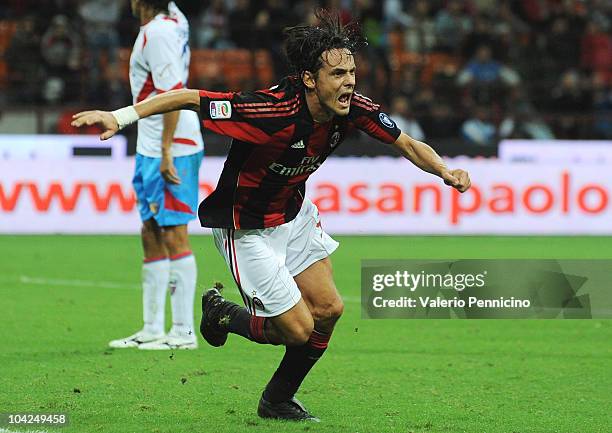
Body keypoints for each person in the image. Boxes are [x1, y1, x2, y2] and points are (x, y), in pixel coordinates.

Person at [72, 10, 470, 420]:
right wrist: (120, 117)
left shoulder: (351, 109)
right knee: (296, 331)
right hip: (246, 227)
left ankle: (277, 399)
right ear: (311, 79)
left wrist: (444, 170)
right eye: (338, 74)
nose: (349, 81)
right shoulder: (270, 110)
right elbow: (189, 97)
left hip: (294, 215)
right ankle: (223, 315)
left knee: (329, 310)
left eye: (352, 71)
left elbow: (405, 142)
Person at [107, 0, 204, 350]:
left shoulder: (159, 32)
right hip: (150, 144)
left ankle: (182, 331)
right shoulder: (173, 19)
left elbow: (176, 94)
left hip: (173, 143)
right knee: (150, 229)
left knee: (174, 232)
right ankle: (151, 327)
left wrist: (166, 150)